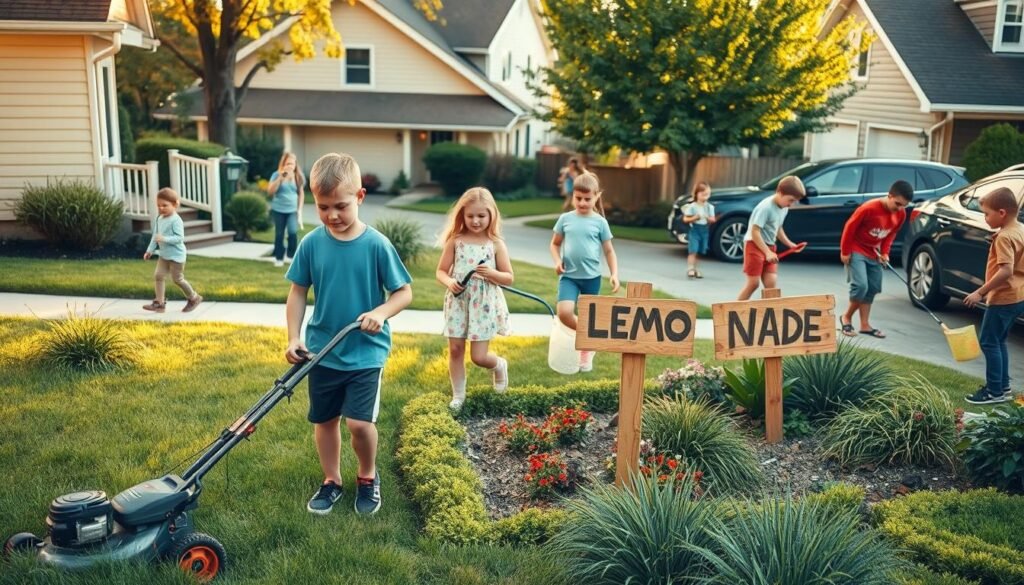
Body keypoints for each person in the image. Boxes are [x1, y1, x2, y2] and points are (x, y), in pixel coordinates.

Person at [284, 152, 413, 516]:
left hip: (365, 352)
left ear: (360, 197)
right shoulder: (311, 243)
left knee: (359, 422)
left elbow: (404, 292)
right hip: (322, 351)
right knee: (324, 420)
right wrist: (294, 338)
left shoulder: (376, 245)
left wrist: (380, 312)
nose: (332, 216)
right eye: (322, 207)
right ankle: (331, 480)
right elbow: (297, 292)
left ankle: (368, 476)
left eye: (340, 205)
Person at [436, 187, 514, 410]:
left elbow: (508, 277)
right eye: (470, 216)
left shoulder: (496, 244)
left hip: (483, 305)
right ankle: (458, 396)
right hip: (458, 301)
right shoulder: (456, 241)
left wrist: (493, 274)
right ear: (462, 215)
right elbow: (441, 270)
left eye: (481, 216)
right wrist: (450, 282)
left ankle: (499, 365)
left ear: (491, 215)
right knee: (455, 350)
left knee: (479, 357)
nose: (476, 221)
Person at [550, 170, 620, 372]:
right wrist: (557, 261)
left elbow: (609, 250)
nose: (582, 203)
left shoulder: (600, 222)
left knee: (589, 317)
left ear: (597, 196)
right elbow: (554, 244)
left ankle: (586, 351)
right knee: (564, 313)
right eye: (578, 198)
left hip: (592, 279)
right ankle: (590, 337)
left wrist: (614, 274)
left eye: (587, 199)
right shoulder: (565, 219)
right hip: (569, 277)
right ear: (573, 196)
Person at [963, 187, 1024, 405]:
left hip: (1003, 297)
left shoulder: (1005, 237)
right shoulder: (1019, 230)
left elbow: (1006, 270)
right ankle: (1003, 386)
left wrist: (980, 292)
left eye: (986, 214)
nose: (985, 218)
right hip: (1018, 296)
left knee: (989, 342)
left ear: (1001, 213)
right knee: (1000, 341)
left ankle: (994, 391)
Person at [838, 180, 914, 339]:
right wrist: (845, 251)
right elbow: (849, 228)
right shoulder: (868, 208)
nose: (900, 208)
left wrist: (885, 253)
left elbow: (891, 234)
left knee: (873, 287)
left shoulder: (900, 214)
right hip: (856, 248)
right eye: (897, 203)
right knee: (861, 286)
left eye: (904, 206)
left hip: (874, 252)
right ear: (889, 195)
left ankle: (865, 326)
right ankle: (846, 317)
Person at [737, 176, 806, 301]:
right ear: (779, 192)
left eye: (794, 201)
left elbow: (778, 228)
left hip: (770, 247)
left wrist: (790, 244)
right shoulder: (766, 208)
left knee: (771, 284)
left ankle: (768, 316)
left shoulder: (784, 208)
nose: (791, 204)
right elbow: (755, 232)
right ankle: (731, 314)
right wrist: (767, 252)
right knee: (753, 284)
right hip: (754, 245)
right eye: (790, 200)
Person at [142, 188, 202, 313]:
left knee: (177, 279)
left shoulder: (176, 220)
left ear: (175, 205)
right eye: (159, 205)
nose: (161, 208)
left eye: (165, 205)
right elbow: (155, 236)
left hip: (176, 256)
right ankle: (159, 303)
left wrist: (164, 239)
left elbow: (179, 238)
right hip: (164, 255)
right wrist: (150, 250)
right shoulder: (160, 218)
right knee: (158, 276)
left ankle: (194, 297)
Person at [267, 151, 305, 268]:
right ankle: (279, 258)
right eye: (288, 163)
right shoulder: (276, 174)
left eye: (292, 164)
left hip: (292, 210)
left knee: (293, 232)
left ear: (295, 165)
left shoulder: (298, 176)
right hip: (278, 209)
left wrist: (299, 210)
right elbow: (270, 191)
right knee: (279, 234)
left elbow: (301, 194)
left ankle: (291, 255)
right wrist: (281, 177)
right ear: (283, 164)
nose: (290, 166)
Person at [683, 181, 717, 279]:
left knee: (699, 251)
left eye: (707, 194)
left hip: (704, 231)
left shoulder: (709, 207)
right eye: (703, 194)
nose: (705, 197)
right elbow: (685, 219)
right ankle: (690, 269)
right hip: (695, 230)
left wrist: (707, 218)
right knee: (693, 250)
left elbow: (713, 219)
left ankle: (695, 269)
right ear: (697, 194)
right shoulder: (692, 206)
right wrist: (694, 218)